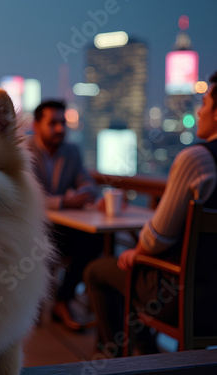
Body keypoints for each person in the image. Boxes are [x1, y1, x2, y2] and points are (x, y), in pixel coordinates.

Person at [84, 71, 217, 357]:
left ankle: (116, 358)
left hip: (189, 298)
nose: (199, 110)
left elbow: (157, 237)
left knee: (99, 271)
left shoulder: (197, 159)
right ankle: (145, 352)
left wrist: (139, 252)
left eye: (204, 103)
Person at [28, 99, 103, 330]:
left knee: (93, 242)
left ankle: (63, 300)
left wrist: (86, 193)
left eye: (63, 123)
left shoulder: (71, 151)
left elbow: (88, 183)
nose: (60, 129)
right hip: (34, 231)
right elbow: (27, 198)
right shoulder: (23, 151)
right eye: (53, 123)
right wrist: (64, 201)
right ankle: (42, 306)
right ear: (37, 125)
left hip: (62, 228)